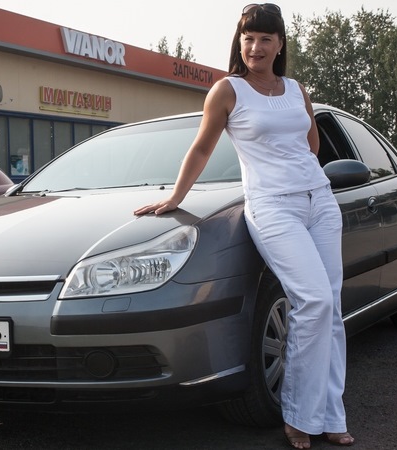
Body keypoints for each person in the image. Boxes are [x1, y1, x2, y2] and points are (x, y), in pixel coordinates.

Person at [134, 4, 354, 449]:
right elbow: (201, 148)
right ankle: (300, 416)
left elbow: (310, 145)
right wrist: (176, 197)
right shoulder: (227, 91)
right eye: (248, 38)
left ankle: (331, 413)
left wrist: (301, 175)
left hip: (320, 203)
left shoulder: (296, 90)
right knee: (312, 300)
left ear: (280, 44)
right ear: (239, 42)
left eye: (265, 39)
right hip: (273, 208)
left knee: (329, 307)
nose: (255, 47)